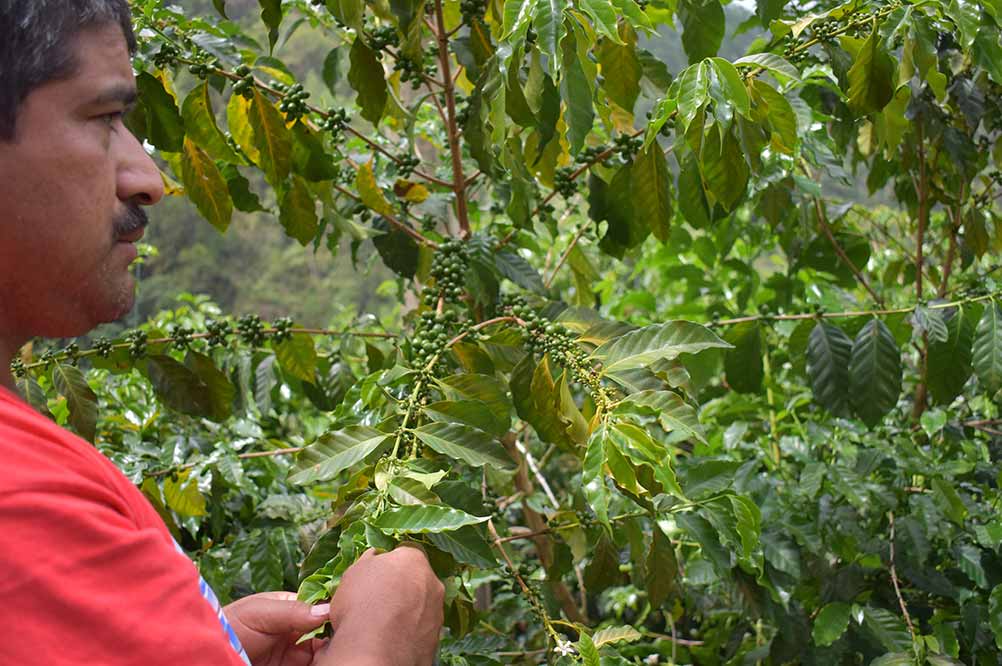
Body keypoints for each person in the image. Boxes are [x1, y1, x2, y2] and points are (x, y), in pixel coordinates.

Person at [0, 1, 444, 664]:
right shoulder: (25, 507)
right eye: (103, 118)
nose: (149, 178)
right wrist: (383, 644)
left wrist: (200, 640)